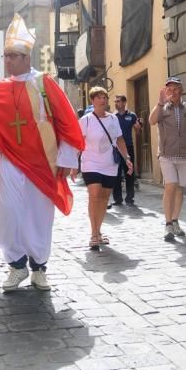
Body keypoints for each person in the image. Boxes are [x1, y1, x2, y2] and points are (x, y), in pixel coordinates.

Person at [0, 13, 84, 292]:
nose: (8, 60)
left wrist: (67, 159)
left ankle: (39, 269)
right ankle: (16, 265)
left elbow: (67, 122)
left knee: (39, 216)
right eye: (6, 56)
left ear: (26, 57)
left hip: (43, 163)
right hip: (10, 163)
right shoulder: (1, 89)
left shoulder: (45, 84)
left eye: (13, 55)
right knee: (10, 214)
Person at [73, 86, 133, 250]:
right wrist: (73, 164)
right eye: (99, 97)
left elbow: (120, 140)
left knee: (104, 198)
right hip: (91, 163)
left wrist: (127, 158)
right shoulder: (85, 120)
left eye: (104, 97)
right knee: (94, 195)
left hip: (110, 164)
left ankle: (98, 231)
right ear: (92, 100)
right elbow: (78, 143)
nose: (103, 100)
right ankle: (93, 234)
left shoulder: (113, 119)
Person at [148, 76, 186, 241]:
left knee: (180, 188)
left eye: (175, 89)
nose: (172, 92)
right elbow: (151, 121)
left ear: (181, 90)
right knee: (170, 186)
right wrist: (159, 103)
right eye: (169, 89)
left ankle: (175, 221)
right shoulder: (162, 108)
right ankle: (167, 225)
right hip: (167, 155)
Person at [110, 95, 141, 206]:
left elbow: (138, 132)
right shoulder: (112, 116)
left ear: (124, 103)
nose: (116, 103)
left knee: (129, 173)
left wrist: (138, 128)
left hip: (128, 147)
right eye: (115, 101)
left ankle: (129, 198)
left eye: (118, 101)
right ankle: (117, 199)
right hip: (116, 148)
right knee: (116, 174)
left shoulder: (132, 116)